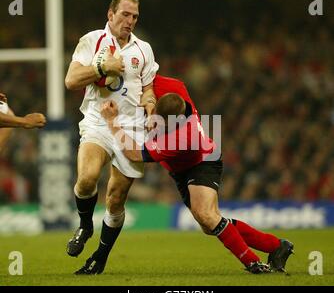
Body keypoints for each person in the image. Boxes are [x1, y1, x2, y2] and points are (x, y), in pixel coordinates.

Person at [86, 74, 294, 275]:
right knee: (209, 225)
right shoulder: (174, 88)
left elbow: (133, 153)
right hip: (181, 168)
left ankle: (253, 263)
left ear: (172, 121)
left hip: (202, 161)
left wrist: (112, 122)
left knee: (206, 215)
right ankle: (276, 246)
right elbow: (148, 76)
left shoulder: (181, 137)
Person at [64, 0, 159, 273]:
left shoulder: (144, 50)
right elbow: (70, 80)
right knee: (86, 179)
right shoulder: (92, 41)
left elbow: (148, 88)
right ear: (111, 14)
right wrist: (101, 67)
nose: (130, 21)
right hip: (98, 122)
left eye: (134, 17)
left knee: (116, 198)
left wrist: (151, 108)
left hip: (132, 129)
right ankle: (84, 226)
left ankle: (100, 258)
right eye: (125, 15)